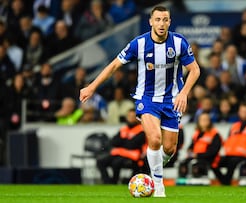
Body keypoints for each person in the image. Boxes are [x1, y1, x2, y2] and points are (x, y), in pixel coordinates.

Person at [79, 6, 200, 197]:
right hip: (146, 99)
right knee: (154, 139)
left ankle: (154, 170)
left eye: (165, 20)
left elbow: (195, 70)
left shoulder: (179, 43)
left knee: (169, 149)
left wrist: (184, 93)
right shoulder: (139, 44)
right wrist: (92, 87)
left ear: (169, 22)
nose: (161, 23)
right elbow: (113, 66)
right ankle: (159, 187)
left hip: (171, 101)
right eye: (157, 19)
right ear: (151, 21)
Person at [212, 102, 246, 185]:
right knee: (214, 162)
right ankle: (224, 181)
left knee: (232, 162)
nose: (244, 114)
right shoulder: (234, 126)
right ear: (239, 112)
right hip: (230, 154)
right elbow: (229, 140)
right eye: (242, 111)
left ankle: (225, 182)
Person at [96, 109, 146, 184]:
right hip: (120, 154)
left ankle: (115, 181)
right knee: (101, 161)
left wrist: (122, 140)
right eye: (129, 116)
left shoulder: (141, 130)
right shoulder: (124, 129)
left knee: (116, 162)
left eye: (133, 116)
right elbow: (113, 142)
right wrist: (124, 140)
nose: (131, 119)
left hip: (133, 156)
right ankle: (107, 182)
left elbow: (132, 145)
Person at [178, 112, 222, 178]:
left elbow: (213, 151)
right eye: (202, 120)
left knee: (197, 165)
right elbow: (192, 145)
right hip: (196, 157)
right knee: (182, 164)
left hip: (208, 159)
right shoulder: (197, 134)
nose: (203, 122)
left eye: (205, 119)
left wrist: (198, 155)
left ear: (209, 121)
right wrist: (189, 150)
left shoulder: (214, 134)